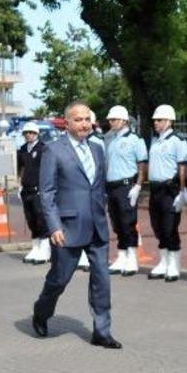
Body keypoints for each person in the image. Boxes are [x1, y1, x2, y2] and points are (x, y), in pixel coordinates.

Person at [31, 102, 122, 349]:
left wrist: (103, 210)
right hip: (68, 228)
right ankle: (41, 311)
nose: (84, 124)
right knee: (59, 279)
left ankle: (102, 331)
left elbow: (99, 186)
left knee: (102, 279)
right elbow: (47, 193)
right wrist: (54, 226)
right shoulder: (54, 150)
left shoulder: (97, 149)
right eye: (78, 119)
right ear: (67, 122)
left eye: (87, 119)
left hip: (97, 225)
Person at [147, 104, 187, 282]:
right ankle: (164, 261)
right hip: (155, 188)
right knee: (157, 227)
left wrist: (182, 191)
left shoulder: (178, 141)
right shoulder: (155, 141)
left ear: (170, 121)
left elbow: (182, 168)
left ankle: (174, 264)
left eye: (160, 120)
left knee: (170, 227)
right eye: (155, 120)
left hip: (169, 189)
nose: (156, 122)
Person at [105, 105, 148, 277]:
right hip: (112, 186)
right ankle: (122, 255)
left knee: (128, 222)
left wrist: (138, 185)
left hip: (126, 185)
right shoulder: (111, 140)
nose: (111, 122)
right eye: (110, 119)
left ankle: (131, 257)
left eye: (113, 119)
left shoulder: (135, 140)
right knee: (117, 223)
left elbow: (142, 165)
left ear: (123, 120)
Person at [76, 111, 107, 271]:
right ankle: (82, 255)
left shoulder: (97, 143)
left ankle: (90, 257)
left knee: (93, 224)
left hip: (94, 190)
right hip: (80, 191)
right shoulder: (76, 143)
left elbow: (101, 168)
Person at [17, 122, 50, 265]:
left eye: (30, 133)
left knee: (40, 219)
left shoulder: (43, 149)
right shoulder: (23, 149)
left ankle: (45, 249)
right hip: (26, 190)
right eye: (26, 133)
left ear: (36, 134)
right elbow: (21, 169)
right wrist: (19, 185)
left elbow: (47, 171)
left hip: (38, 189)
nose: (28, 135)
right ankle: (35, 247)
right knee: (30, 219)